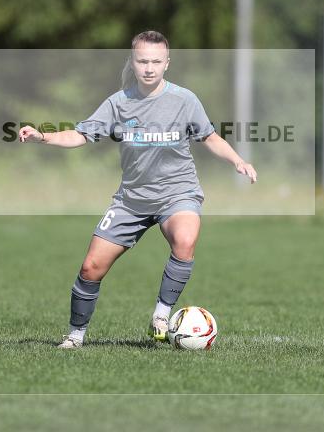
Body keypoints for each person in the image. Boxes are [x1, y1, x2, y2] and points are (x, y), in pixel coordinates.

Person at [18, 31, 257, 349]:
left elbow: (210, 137)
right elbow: (79, 135)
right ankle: (75, 336)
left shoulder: (184, 100)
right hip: (131, 200)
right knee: (91, 268)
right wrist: (41, 137)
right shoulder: (118, 104)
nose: (149, 67)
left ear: (167, 63)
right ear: (133, 62)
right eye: (143, 60)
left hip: (178, 192)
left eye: (156, 61)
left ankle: (161, 314)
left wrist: (237, 160)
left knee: (185, 240)